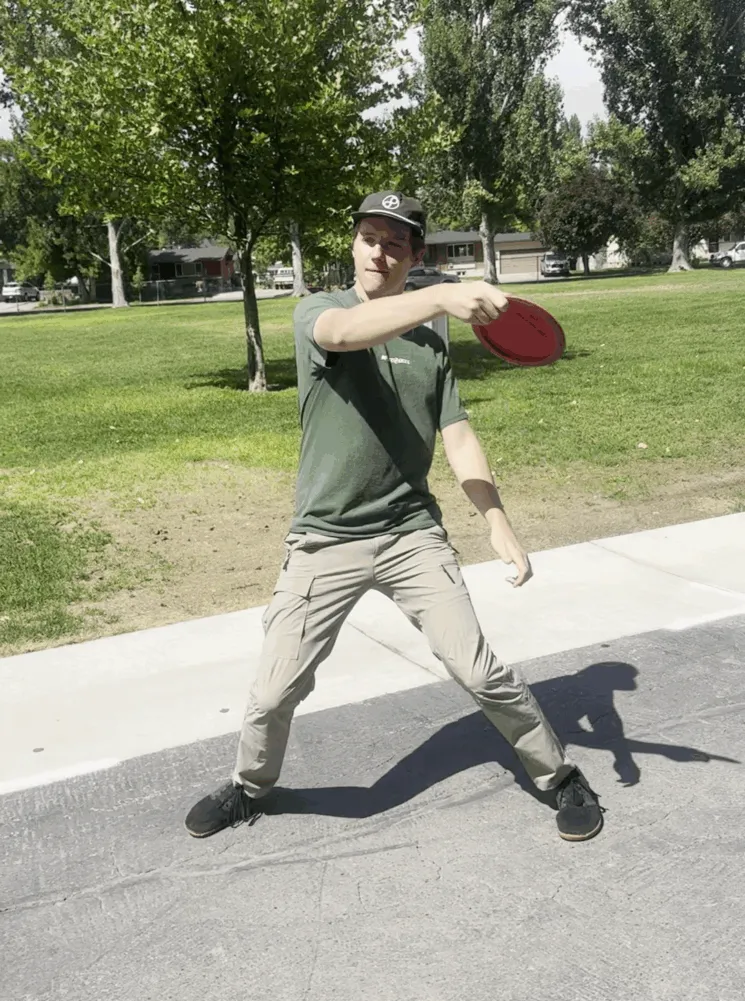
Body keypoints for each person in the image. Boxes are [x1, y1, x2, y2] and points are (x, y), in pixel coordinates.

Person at [185, 190, 603, 843]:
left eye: (395, 242)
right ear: (352, 245)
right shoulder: (317, 311)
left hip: (411, 534)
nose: (379, 251)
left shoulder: (429, 346)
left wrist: (495, 519)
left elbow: (457, 433)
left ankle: (557, 776)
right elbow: (343, 335)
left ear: (413, 254)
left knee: (478, 669)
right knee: (272, 693)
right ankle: (249, 786)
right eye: (369, 238)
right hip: (325, 538)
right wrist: (441, 297)